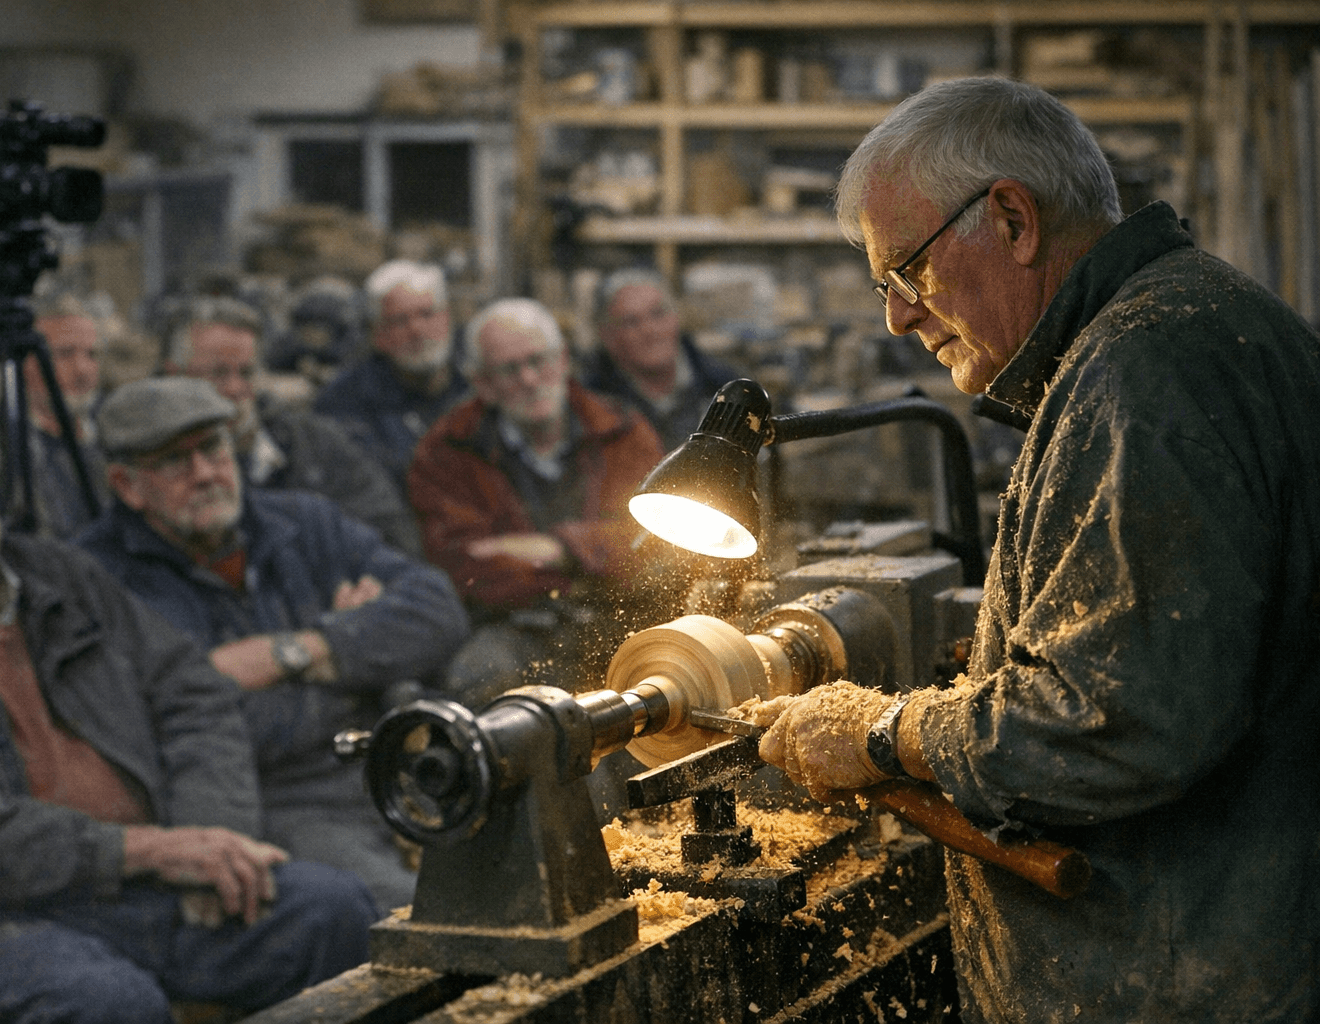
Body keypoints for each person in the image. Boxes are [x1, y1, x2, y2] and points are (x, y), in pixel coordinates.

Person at [756, 77, 1320, 1023]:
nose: (896, 316)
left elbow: (1111, 721)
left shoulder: (1143, 375)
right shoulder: (1201, 321)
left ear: (1012, 218)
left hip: (1179, 977)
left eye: (907, 273)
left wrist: (884, 734)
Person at [0, 392, 376, 1024]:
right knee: (107, 1005)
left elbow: (192, 692)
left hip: (155, 884)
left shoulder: (54, 576)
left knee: (337, 913)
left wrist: (212, 832)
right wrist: (145, 850)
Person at [77, 376, 470, 911]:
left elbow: (439, 611)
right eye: (174, 462)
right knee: (422, 913)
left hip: (385, 764)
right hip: (273, 804)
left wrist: (294, 652)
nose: (205, 473)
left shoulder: (301, 521)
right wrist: (359, 654)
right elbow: (176, 724)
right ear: (126, 485)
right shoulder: (98, 579)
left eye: (213, 447)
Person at [409, 297, 678, 708]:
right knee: (477, 689)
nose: (530, 379)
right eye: (509, 369)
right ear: (483, 383)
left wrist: (560, 549)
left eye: (539, 360)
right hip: (514, 625)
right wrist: (595, 561)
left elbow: (655, 544)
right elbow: (464, 568)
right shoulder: (448, 450)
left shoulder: (621, 429)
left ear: (564, 360)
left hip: (624, 614)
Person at [162, 294, 421, 554]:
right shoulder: (153, 467)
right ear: (175, 376)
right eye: (217, 374)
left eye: (247, 373)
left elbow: (394, 539)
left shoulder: (317, 446)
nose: (235, 389)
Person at [313, 260, 471, 495]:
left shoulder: (477, 387)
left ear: (447, 318)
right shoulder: (344, 403)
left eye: (427, 314)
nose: (416, 330)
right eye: (399, 321)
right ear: (377, 334)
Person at [584, 268, 744, 452]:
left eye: (658, 314)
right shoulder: (589, 405)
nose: (650, 331)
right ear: (608, 337)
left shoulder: (726, 388)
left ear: (677, 317)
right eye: (631, 322)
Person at [20, 291, 109, 538]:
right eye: (64, 354)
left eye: (92, 355)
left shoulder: (114, 431)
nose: (82, 370)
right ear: (25, 362)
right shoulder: (7, 442)